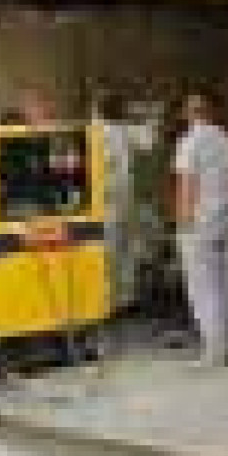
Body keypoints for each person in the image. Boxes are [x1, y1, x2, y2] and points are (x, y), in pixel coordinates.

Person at [173, 91, 228, 366]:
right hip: (227, 218)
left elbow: (187, 185)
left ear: (189, 114)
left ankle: (214, 350)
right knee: (226, 281)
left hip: (199, 221)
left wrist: (181, 222)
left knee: (203, 284)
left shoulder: (190, 142)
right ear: (211, 112)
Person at [94, 92, 135, 314]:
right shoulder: (98, 132)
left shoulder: (119, 130)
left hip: (119, 201)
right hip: (108, 202)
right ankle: (110, 301)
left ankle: (118, 299)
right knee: (110, 251)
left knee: (119, 250)